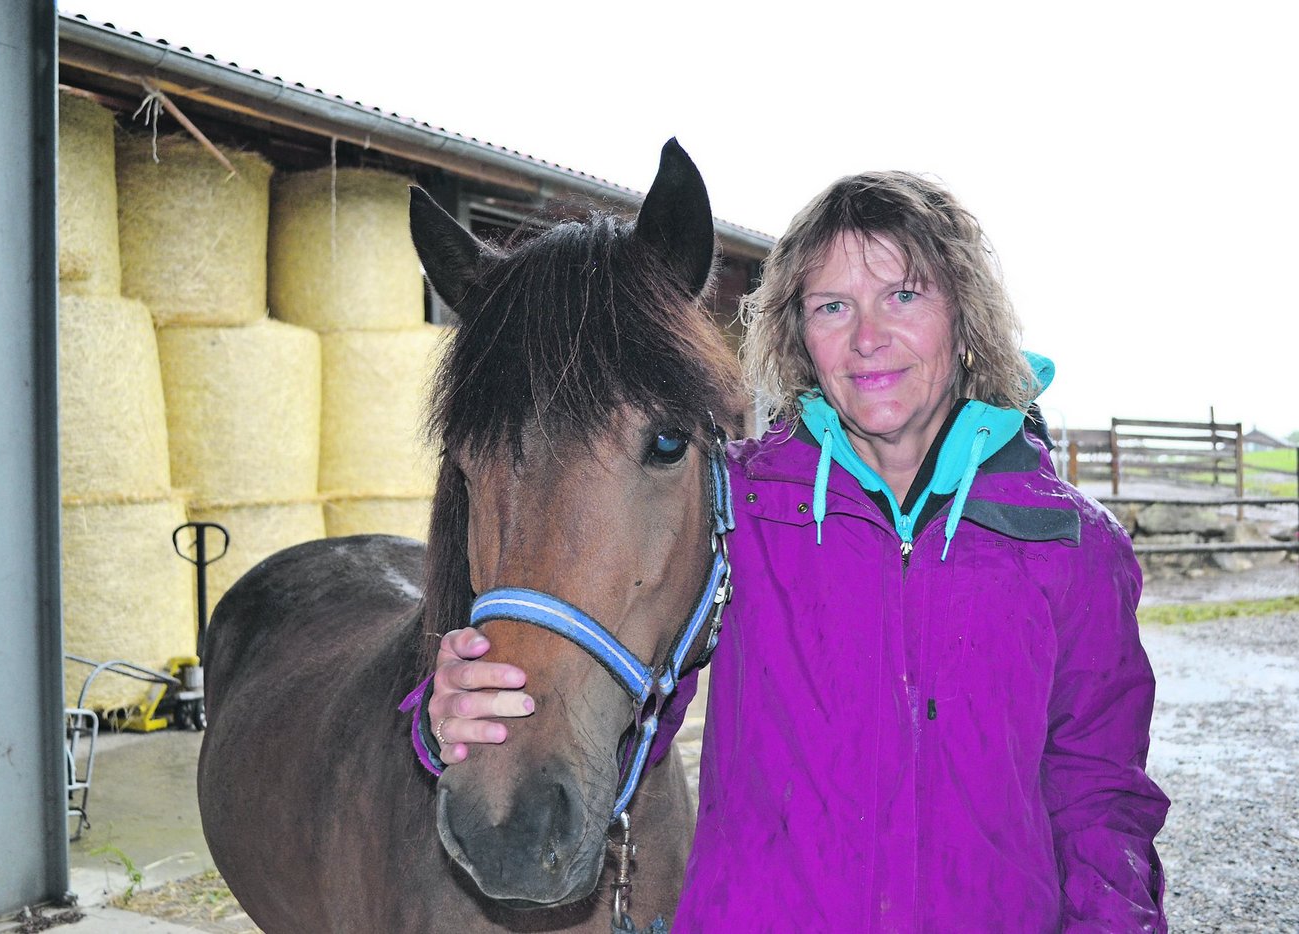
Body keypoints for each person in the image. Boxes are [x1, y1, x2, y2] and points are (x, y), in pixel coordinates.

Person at [418, 171, 1169, 930]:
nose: (868, 337)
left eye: (903, 296)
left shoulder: (1073, 546)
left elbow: (1100, 800)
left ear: (965, 317)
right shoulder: (740, 509)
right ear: (800, 335)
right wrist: (457, 715)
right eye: (832, 306)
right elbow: (619, 700)